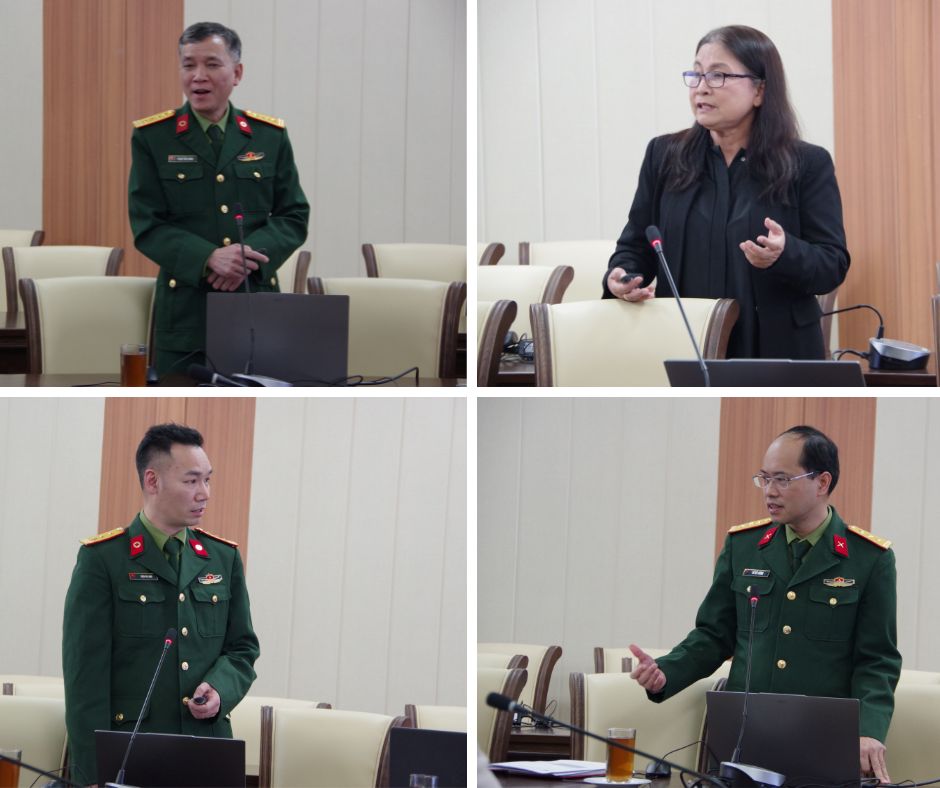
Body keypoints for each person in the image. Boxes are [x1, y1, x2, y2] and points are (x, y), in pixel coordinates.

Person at [629, 426, 899, 782]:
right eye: (764, 478)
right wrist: (667, 672)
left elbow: (877, 660)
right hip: (746, 737)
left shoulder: (868, 559)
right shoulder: (743, 545)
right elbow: (714, 635)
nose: (770, 491)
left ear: (822, 482)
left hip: (825, 740)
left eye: (783, 479)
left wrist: (869, 731)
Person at [603, 26, 849, 360]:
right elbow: (636, 245)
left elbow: (832, 264)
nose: (702, 87)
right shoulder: (664, 156)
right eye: (696, 74)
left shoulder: (807, 163)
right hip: (685, 344)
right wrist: (620, 275)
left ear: (760, 90)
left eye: (718, 75)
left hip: (776, 351)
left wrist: (785, 253)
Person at [63, 424, 260, 786]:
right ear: (152, 481)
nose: (204, 493)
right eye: (191, 481)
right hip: (132, 753)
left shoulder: (223, 558)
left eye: (207, 480)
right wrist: (92, 774)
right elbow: (85, 679)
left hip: (208, 748)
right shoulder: (104, 559)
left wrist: (220, 688)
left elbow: (242, 649)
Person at [129, 21, 310, 376]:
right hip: (185, 312)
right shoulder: (154, 137)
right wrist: (208, 258)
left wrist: (244, 258)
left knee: (258, 393)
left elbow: (293, 215)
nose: (198, 76)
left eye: (212, 64)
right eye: (188, 65)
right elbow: (147, 224)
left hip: (254, 303)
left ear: (237, 73)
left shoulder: (268, 136)